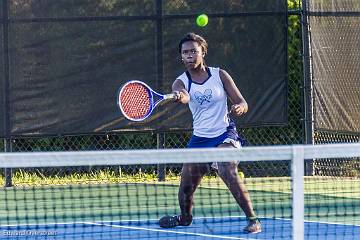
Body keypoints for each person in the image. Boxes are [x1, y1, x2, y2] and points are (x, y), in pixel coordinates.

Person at [158, 33, 261, 233]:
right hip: (200, 139)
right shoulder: (180, 82)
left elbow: (242, 102)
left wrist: (240, 107)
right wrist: (181, 96)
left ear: (202, 52)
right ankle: (185, 218)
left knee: (226, 167)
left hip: (224, 134)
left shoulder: (219, 75)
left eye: (193, 51)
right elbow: (186, 97)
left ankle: (253, 219)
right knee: (185, 186)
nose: (189, 56)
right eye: (185, 52)